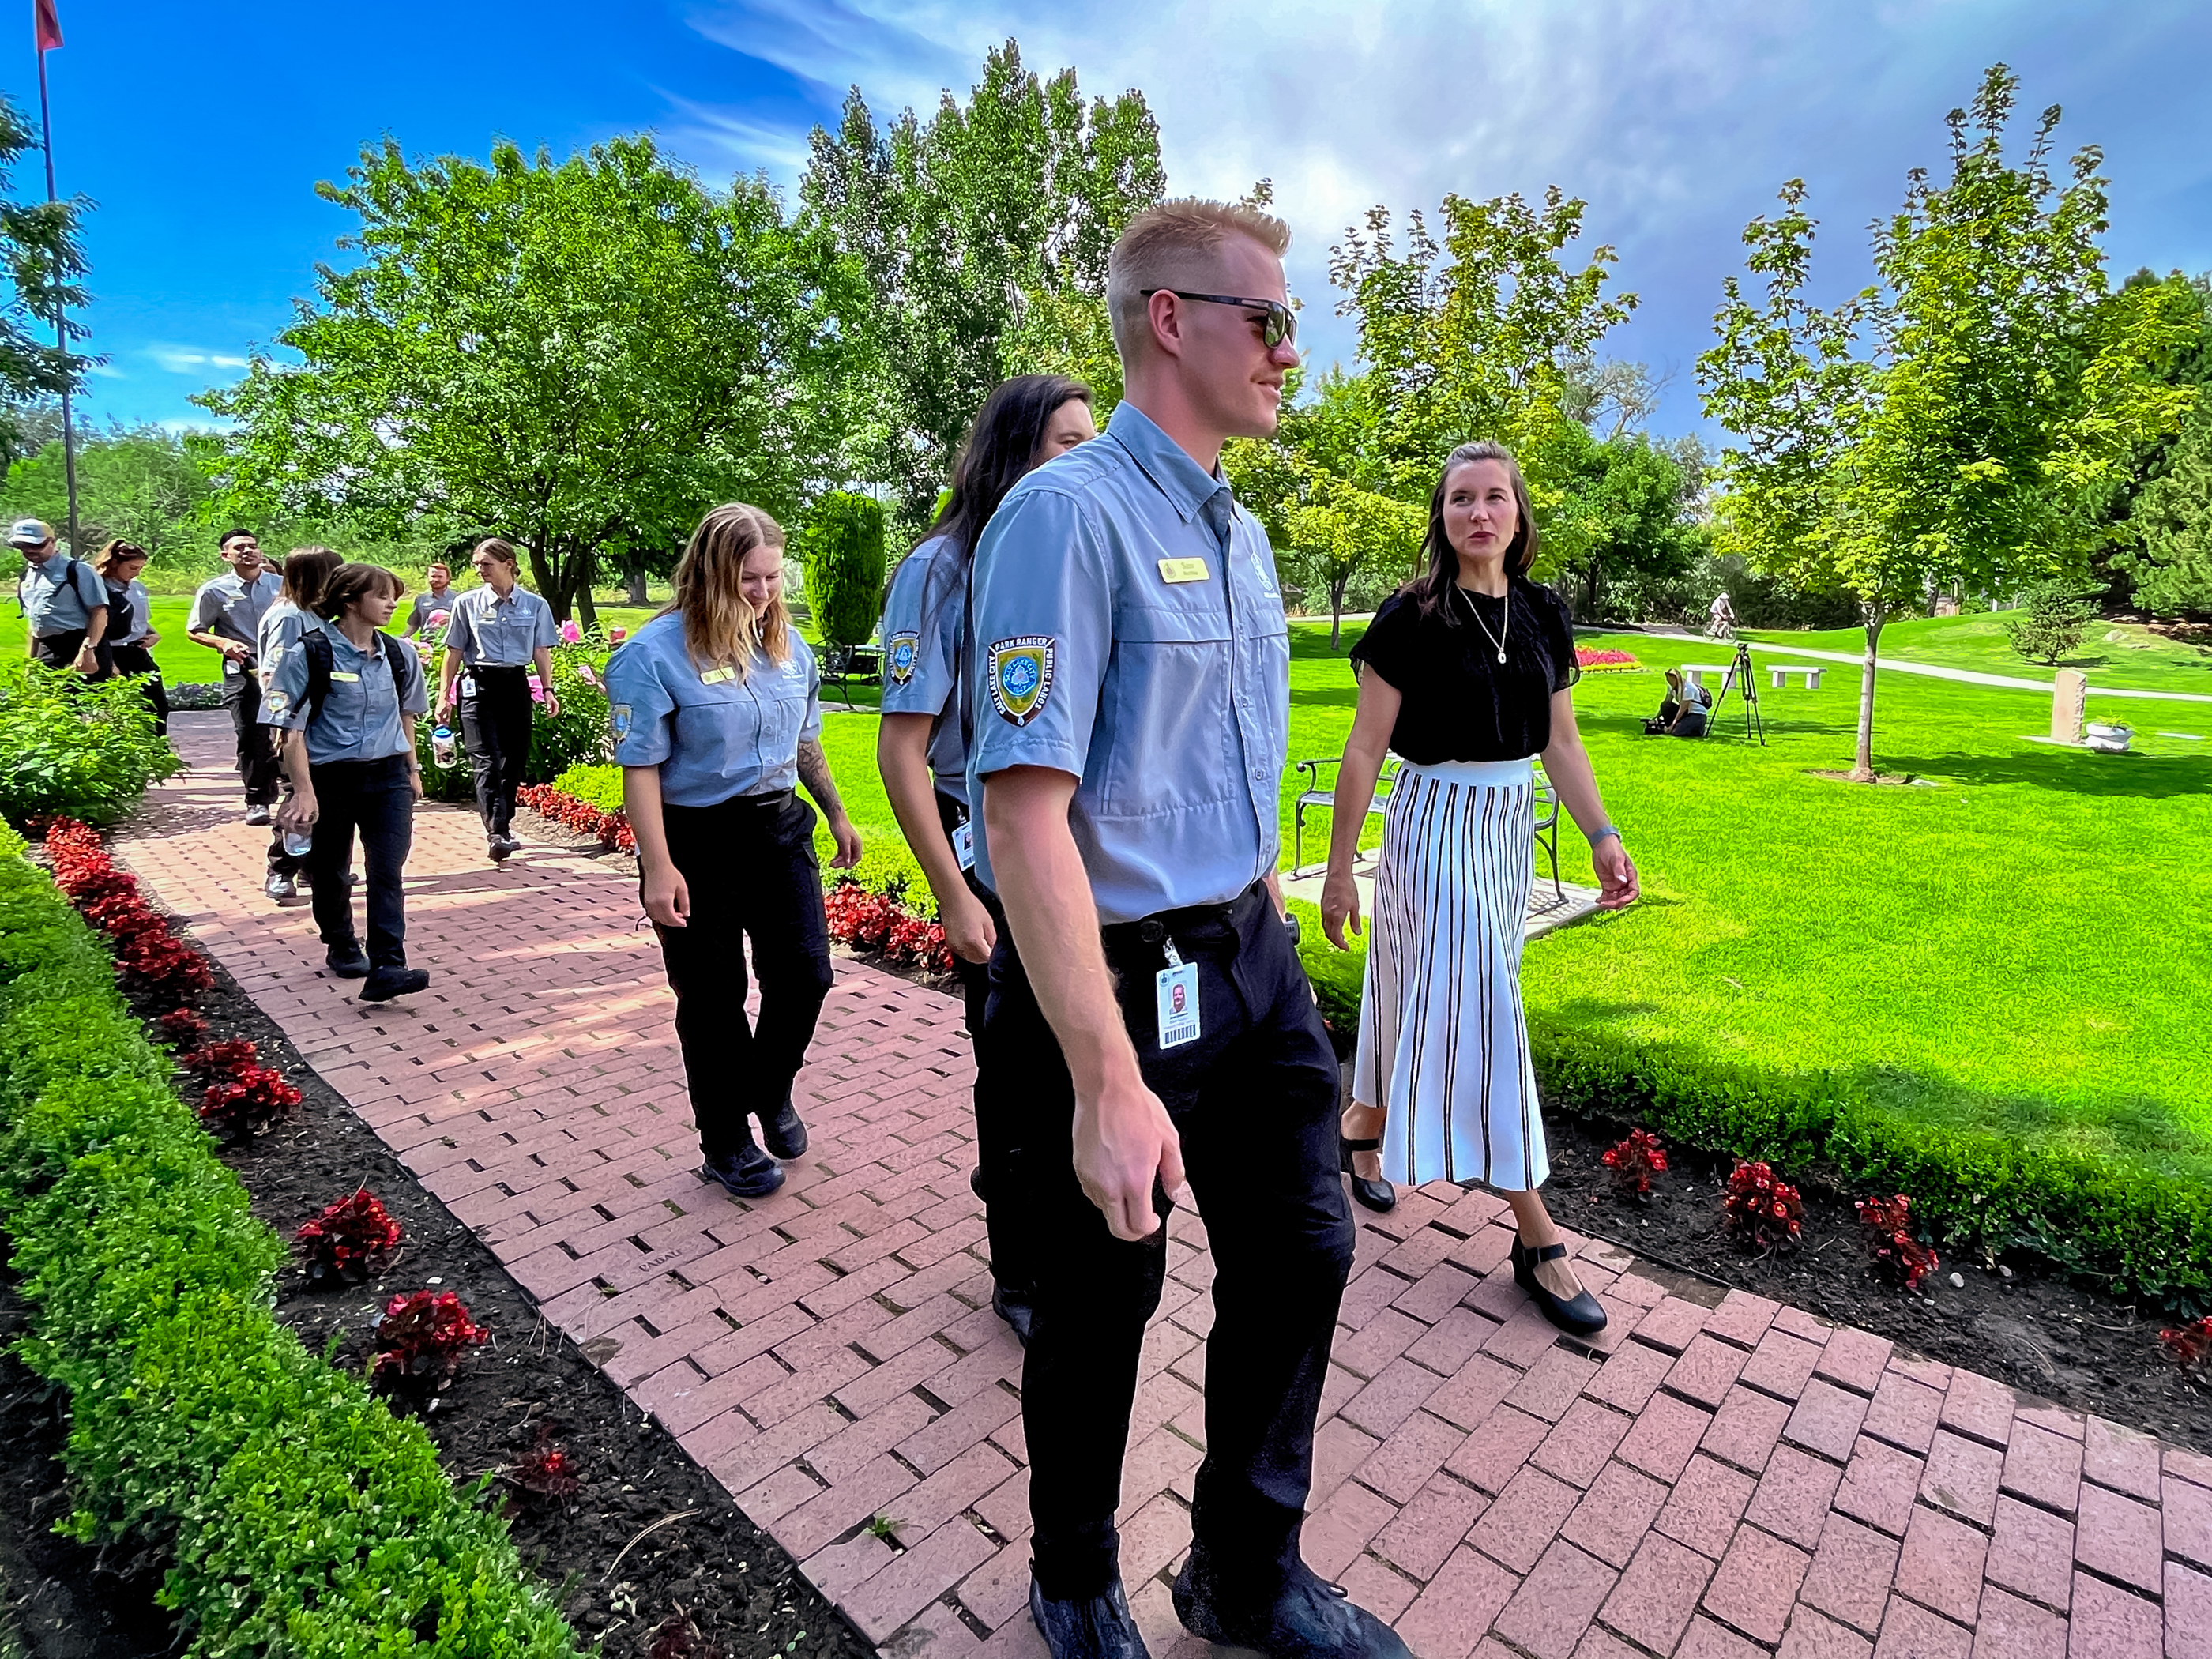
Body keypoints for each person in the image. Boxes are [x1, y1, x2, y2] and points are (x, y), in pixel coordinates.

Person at [967, 198, 1400, 1659]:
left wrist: (1266, 912)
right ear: (1172, 319)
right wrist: (1101, 1078)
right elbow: (1026, 819)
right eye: (1270, 320)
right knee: (1102, 1293)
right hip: (1110, 977)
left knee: (1305, 1248)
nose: (1291, 351)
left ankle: (1244, 1571)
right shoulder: (1064, 519)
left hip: (1248, 953)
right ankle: (1076, 1575)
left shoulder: (1248, 534)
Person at [1319, 441, 1639, 1336]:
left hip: (1506, 827)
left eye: (1494, 497)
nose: (1478, 513)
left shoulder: (1543, 611)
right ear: (1442, 515)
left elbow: (1562, 744)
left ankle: (1359, 1121)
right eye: (1460, 499)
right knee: (1485, 1013)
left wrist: (1602, 835)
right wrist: (1341, 869)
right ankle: (1536, 1235)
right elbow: (1361, 750)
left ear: (1518, 514)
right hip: (1431, 821)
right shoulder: (1410, 615)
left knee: (1426, 987)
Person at [878, 374, 1097, 1347]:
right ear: (1012, 448)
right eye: (1065, 441)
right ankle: (1019, 1262)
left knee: (1079, 1052)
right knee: (1014, 1068)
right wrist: (952, 897)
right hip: (986, 847)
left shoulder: (1076, 559)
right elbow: (901, 751)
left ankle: (1067, 1214)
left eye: (1091, 439)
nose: (1086, 457)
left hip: (1076, 841)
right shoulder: (939, 570)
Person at [609, 504, 863, 1201]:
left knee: (807, 975)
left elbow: (804, 740)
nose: (762, 593)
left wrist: (837, 812)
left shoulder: (787, 648)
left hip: (779, 829)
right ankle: (725, 1141)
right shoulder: (651, 655)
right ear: (709, 573)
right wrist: (657, 866)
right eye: (747, 579)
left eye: (772, 578)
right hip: (696, 841)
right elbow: (640, 769)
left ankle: (768, 1088)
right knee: (714, 999)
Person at [265, 562, 431, 1003]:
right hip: (329, 777)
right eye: (382, 596)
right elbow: (289, 731)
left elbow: (407, 715)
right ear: (349, 600)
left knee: (387, 870)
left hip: (388, 777)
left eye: (395, 595)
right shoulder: (309, 653)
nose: (393, 604)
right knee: (332, 869)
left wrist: (412, 770)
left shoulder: (400, 654)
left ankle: (388, 966)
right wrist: (303, 790)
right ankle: (340, 942)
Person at [434, 538, 562, 861]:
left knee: (513, 758)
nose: (479, 570)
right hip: (478, 684)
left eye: (486, 564)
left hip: (515, 683)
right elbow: (454, 652)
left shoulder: (535, 605)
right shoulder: (466, 603)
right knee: (485, 759)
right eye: (476, 564)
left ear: (508, 564)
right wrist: (443, 695)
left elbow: (541, 651)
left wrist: (548, 689)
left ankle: (502, 823)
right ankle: (497, 831)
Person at [255, 547, 346, 898]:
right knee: (298, 795)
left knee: (322, 794)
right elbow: (272, 674)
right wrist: (282, 723)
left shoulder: (316, 614)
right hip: (296, 724)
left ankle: (313, 867)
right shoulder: (290, 616)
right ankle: (281, 868)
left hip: (319, 720)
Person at [186, 530, 285, 831]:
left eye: (253, 546)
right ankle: (257, 798)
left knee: (288, 727)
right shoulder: (214, 591)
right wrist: (222, 643)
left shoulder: (282, 587)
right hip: (243, 665)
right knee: (251, 730)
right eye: (239, 548)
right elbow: (195, 630)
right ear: (225, 555)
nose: (248, 552)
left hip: (283, 665)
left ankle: (295, 787)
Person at [89, 541, 170, 731]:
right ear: (114, 563)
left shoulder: (138, 588)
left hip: (137, 651)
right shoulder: (97, 587)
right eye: (133, 567)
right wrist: (108, 663)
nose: (137, 573)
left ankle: (159, 754)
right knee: (111, 710)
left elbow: (138, 620)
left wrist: (153, 633)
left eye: (141, 568)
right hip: (107, 651)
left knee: (157, 705)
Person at [13, 518, 107, 673]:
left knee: (88, 696)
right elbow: (36, 622)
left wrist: (88, 650)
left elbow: (99, 612)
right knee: (47, 695)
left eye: (37, 545)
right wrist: (31, 662)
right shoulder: (27, 576)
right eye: (23, 546)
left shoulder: (77, 570)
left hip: (79, 643)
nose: (30, 551)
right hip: (47, 646)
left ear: (52, 542)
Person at [1644, 667, 1712, 738]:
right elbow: (1667, 702)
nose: (1670, 682)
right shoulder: (1671, 687)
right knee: (1666, 705)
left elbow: (1683, 709)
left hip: (1696, 715)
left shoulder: (1688, 689)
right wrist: (1656, 718)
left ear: (1677, 679)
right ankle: (1671, 727)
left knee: (1677, 733)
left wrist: (1673, 725)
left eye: (1671, 680)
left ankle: (1698, 729)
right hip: (1687, 712)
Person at [404, 562, 456, 639]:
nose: (436, 579)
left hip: (450, 644)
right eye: (433, 576)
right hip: (427, 644)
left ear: (448, 578)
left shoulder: (458, 599)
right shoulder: (421, 600)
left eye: (440, 577)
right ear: (428, 578)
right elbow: (414, 624)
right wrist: (403, 638)